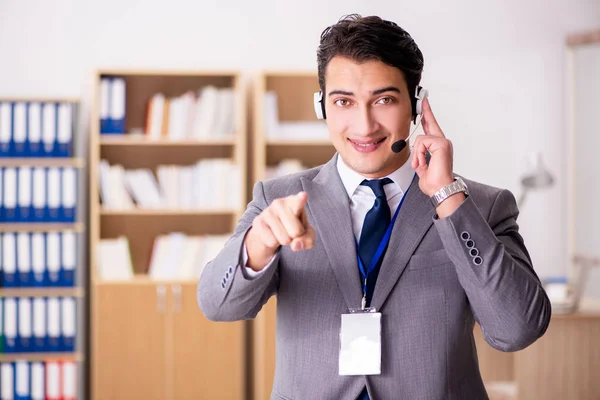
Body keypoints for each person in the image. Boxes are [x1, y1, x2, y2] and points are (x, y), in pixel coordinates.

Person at [197, 14, 551, 400]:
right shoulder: (277, 199)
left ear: (416, 104)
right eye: (344, 101)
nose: (364, 126)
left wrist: (448, 198)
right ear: (323, 107)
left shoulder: (480, 205)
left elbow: (518, 328)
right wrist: (258, 243)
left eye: (383, 100)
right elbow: (218, 305)